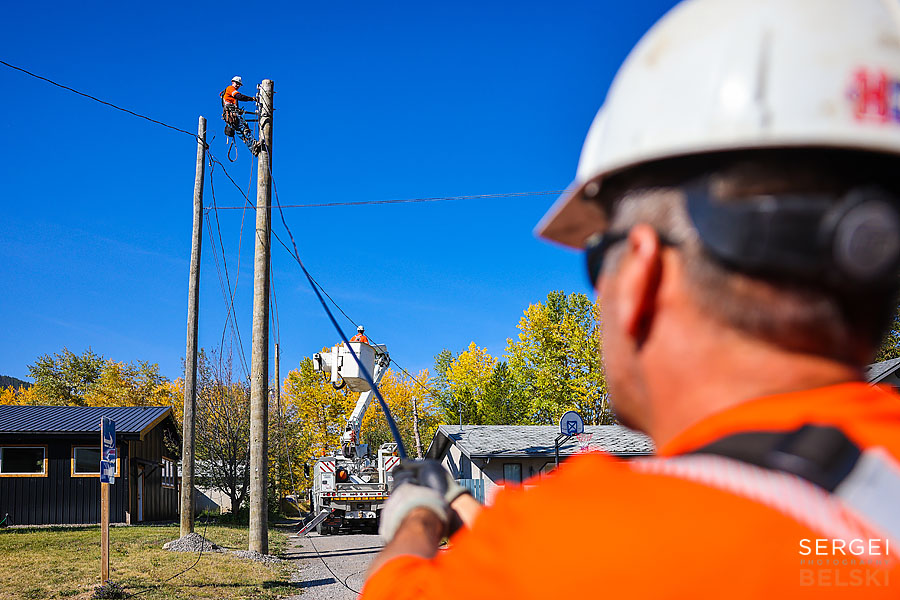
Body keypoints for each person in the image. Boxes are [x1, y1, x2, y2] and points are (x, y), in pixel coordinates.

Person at [360, 0, 900, 597]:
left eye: (597, 259)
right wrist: (462, 497)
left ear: (642, 271)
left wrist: (415, 514)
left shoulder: (570, 542)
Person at [220, 76, 261, 156]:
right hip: (232, 114)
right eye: (237, 83)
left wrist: (239, 111)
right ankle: (254, 144)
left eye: (239, 84)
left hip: (231, 116)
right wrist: (252, 99)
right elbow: (239, 96)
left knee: (241, 133)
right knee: (244, 128)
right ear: (233, 82)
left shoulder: (230, 96)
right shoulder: (230, 89)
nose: (238, 86)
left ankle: (253, 148)